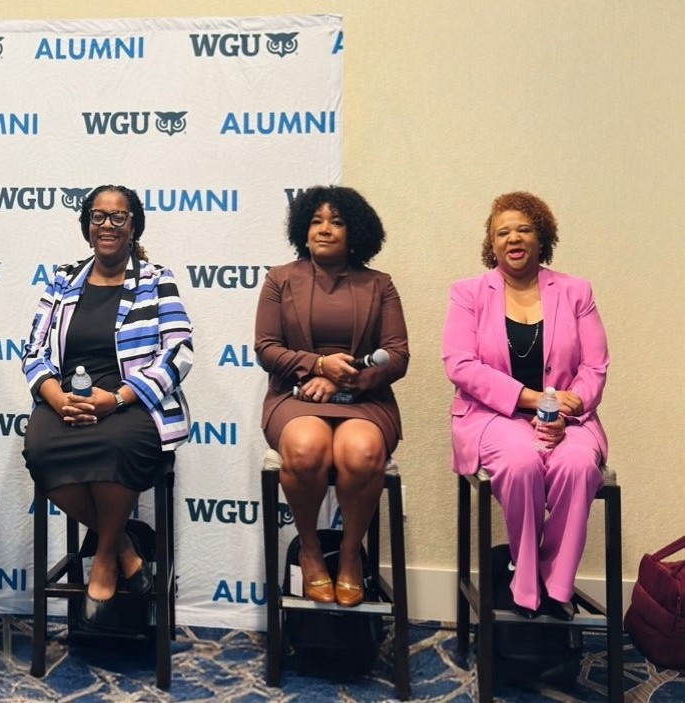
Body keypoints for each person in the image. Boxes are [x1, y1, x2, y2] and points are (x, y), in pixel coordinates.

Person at [22, 184, 193, 629]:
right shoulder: (62, 279)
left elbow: (180, 351)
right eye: (98, 216)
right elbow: (33, 351)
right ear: (86, 225)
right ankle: (123, 550)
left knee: (117, 446)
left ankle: (102, 558)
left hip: (129, 402)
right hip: (67, 401)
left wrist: (118, 397)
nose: (107, 225)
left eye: (118, 217)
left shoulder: (156, 279)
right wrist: (55, 397)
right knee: (39, 451)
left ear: (133, 225)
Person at [443, 191, 608, 620]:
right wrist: (533, 399)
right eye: (502, 232)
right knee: (520, 463)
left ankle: (556, 585)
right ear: (491, 243)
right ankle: (525, 575)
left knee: (578, 466)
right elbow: (459, 364)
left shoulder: (576, 291)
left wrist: (569, 409)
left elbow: (594, 366)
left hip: (568, 420)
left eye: (524, 229)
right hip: (493, 417)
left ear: (541, 237)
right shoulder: (469, 293)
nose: (513, 238)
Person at [254, 186, 409, 608]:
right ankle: (308, 549)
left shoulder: (380, 285)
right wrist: (317, 366)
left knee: (360, 453)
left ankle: (348, 554)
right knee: (305, 450)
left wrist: (345, 379)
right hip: (296, 396)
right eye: (316, 221)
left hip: (364, 398)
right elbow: (267, 349)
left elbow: (397, 356)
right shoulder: (280, 279)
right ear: (302, 230)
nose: (325, 229)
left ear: (355, 232)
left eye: (336, 221)